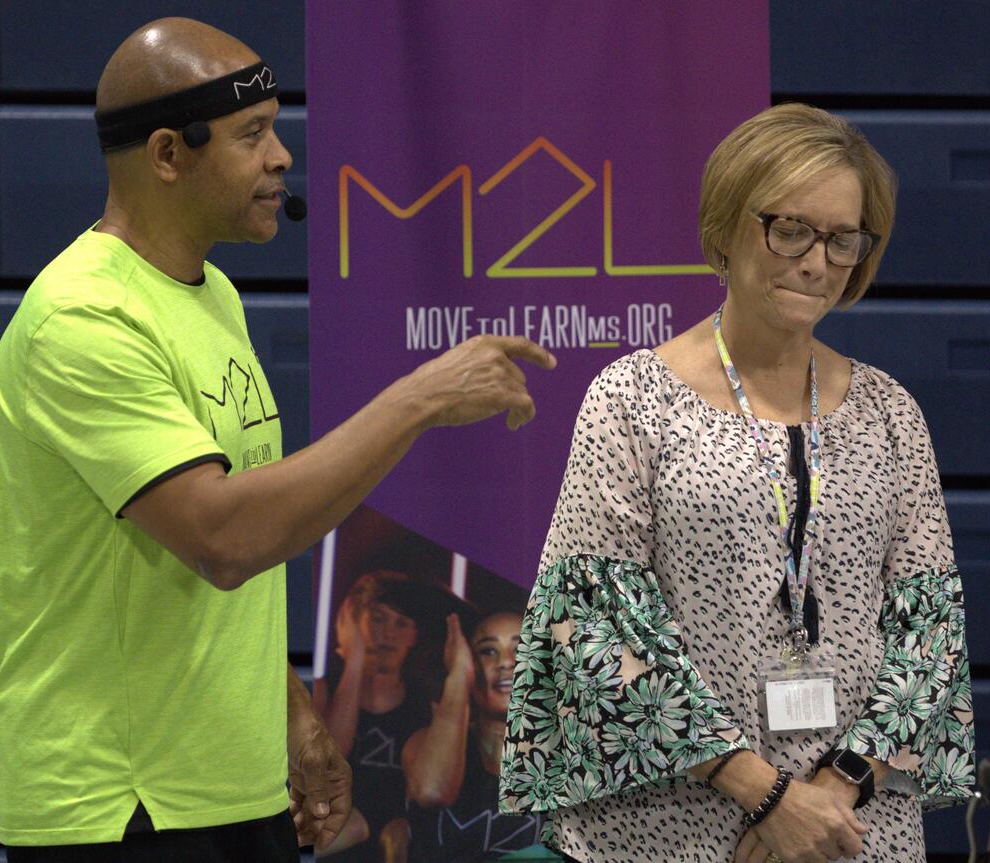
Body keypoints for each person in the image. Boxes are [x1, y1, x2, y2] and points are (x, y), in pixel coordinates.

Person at [0, 17, 555, 863]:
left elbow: (229, 546)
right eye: (252, 134)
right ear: (168, 154)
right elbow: (223, 538)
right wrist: (420, 399)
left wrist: (294, 716)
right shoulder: (83, 319)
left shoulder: (210, 293)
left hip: (229, 783)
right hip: (122, 804)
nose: (282, 156)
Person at [499, 103, 973, 863]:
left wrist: (838, 787)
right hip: (668, 823)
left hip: (852, 827)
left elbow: (930, 631)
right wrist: (765, 794)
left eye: (841, 238)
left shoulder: (889, 413)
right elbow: (589, 623)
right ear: (725, 227)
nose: (815, 262)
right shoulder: (633, 399)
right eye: (790, 229)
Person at [404, 609, 547, 862]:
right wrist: (459, 675)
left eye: (521, 648)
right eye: (488, 651)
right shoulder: (423, 742)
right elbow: (432, 791)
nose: (506, 662)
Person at [316, 572, 434, 862]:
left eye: (401, 623)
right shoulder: (322, 690)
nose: (389, 634)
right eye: (378, 619)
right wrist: (354, 660)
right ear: (354, 623)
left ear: (414, 635)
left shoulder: (426, 707)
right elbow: (328, 762)